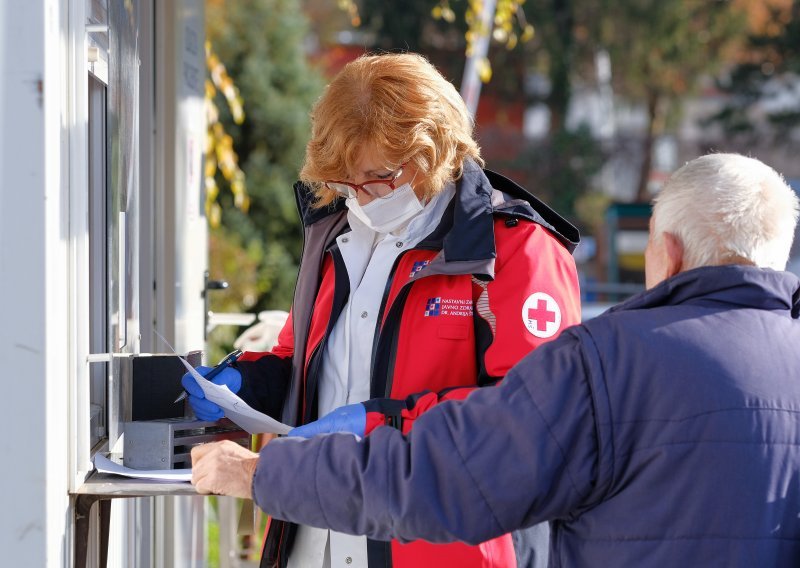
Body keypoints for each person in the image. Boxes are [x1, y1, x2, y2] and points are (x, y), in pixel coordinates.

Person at [192, 153, 800, 565]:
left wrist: (261, 476)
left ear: (664, 252)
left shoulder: (605, 360)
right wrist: (255, 379)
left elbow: (449, 476)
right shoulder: (333, 241)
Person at [183, 52, 581, 568]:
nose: (360, 198)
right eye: (346, 181)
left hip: (441, 549)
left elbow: (535, 419)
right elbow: (303, 363)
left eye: (377, 178)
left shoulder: (515, 250)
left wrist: (381, 424)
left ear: (435, 152)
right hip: (313, 541)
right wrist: (245, 384)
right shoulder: (333, 236)